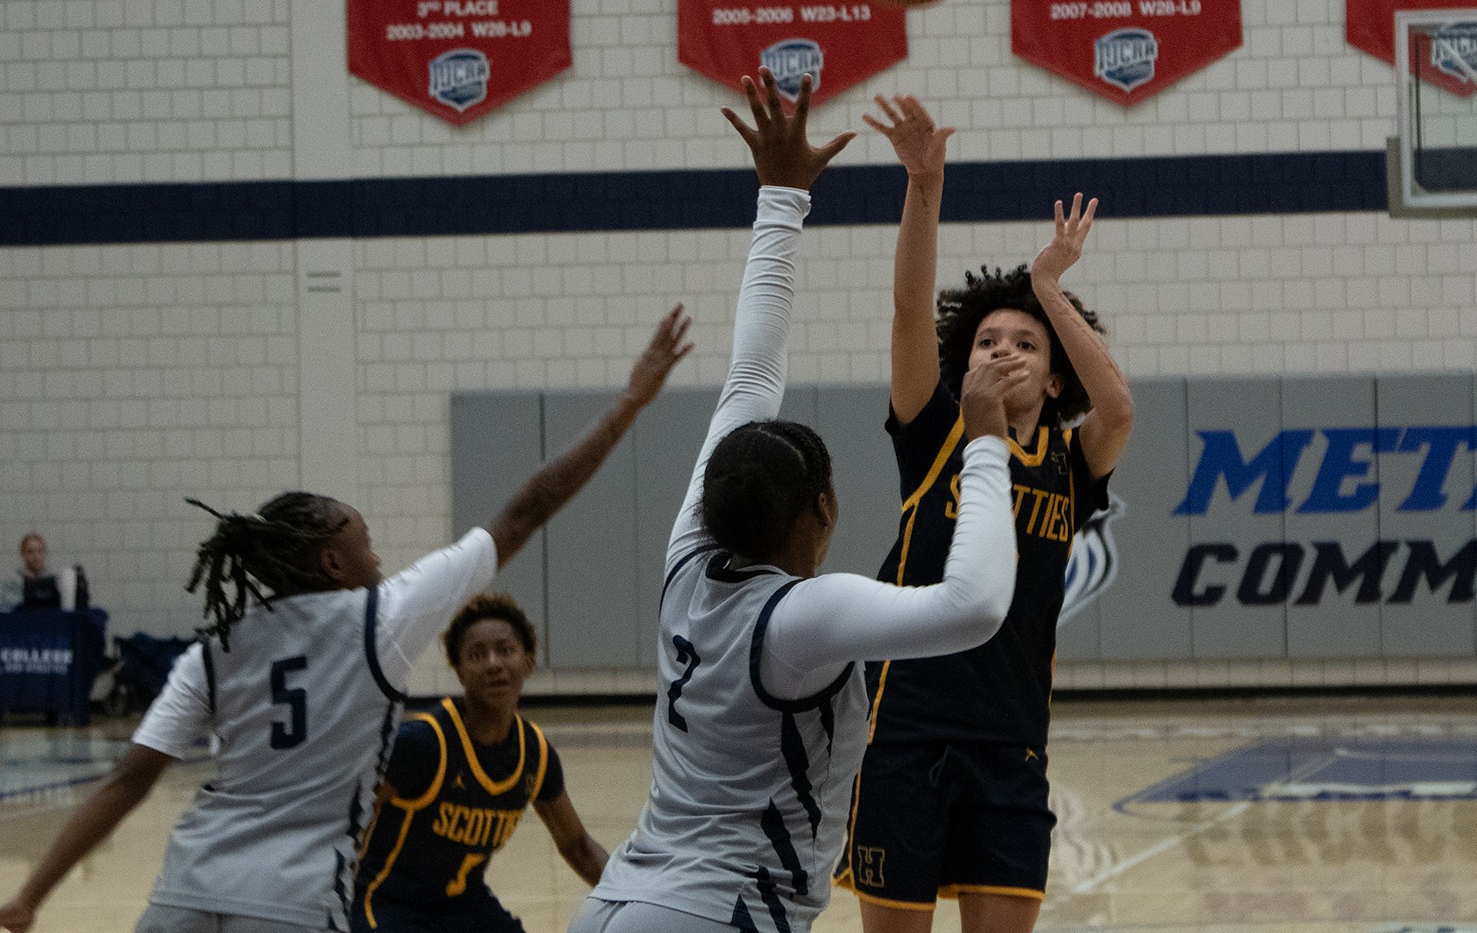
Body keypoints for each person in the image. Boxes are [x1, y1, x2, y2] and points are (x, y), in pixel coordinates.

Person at [0, 308, 693, 933]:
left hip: (185, 891)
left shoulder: (215, 649)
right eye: (364, 539)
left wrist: (32, 893)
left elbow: (127, 782)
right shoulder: (382, 620)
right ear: (333, 562)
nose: (378, 551)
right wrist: (628, 405)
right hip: (294, 901)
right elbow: (528, 508)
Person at [568, 69, 1021, 933]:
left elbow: (752, 376)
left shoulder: (687, 558)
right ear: (823, 510)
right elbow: (974, 606)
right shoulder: (801, 617)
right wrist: (986, 441)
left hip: (616, 903)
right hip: (717, 913)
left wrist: (781, 197)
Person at [842, 95, 1135, 933]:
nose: (1003, 348)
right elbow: (908, 311)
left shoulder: (1067, 465)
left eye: (1026, 343)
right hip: (905, 736)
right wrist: (923, 187)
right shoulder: (934, 432)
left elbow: (1116, 409)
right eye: (986, 342)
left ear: (1053, 381)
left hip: (1011, 746)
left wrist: (1048, 287)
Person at [353, 592, 608, 933]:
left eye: (505, 650)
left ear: (528, 661)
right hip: (388, 905)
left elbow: (578, 847)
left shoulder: (536, 754)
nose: (493, 664)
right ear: (458, 671)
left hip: (465, 908)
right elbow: (346, 825)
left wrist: (634, 900)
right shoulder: (422, 743)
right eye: (477, 654)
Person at [5, 533, 79, 611]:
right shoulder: (13, 582)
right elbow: (7, 613)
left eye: (40, 551)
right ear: (22, 554)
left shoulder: (56, 580)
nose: (36, 557)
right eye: (30, 552)